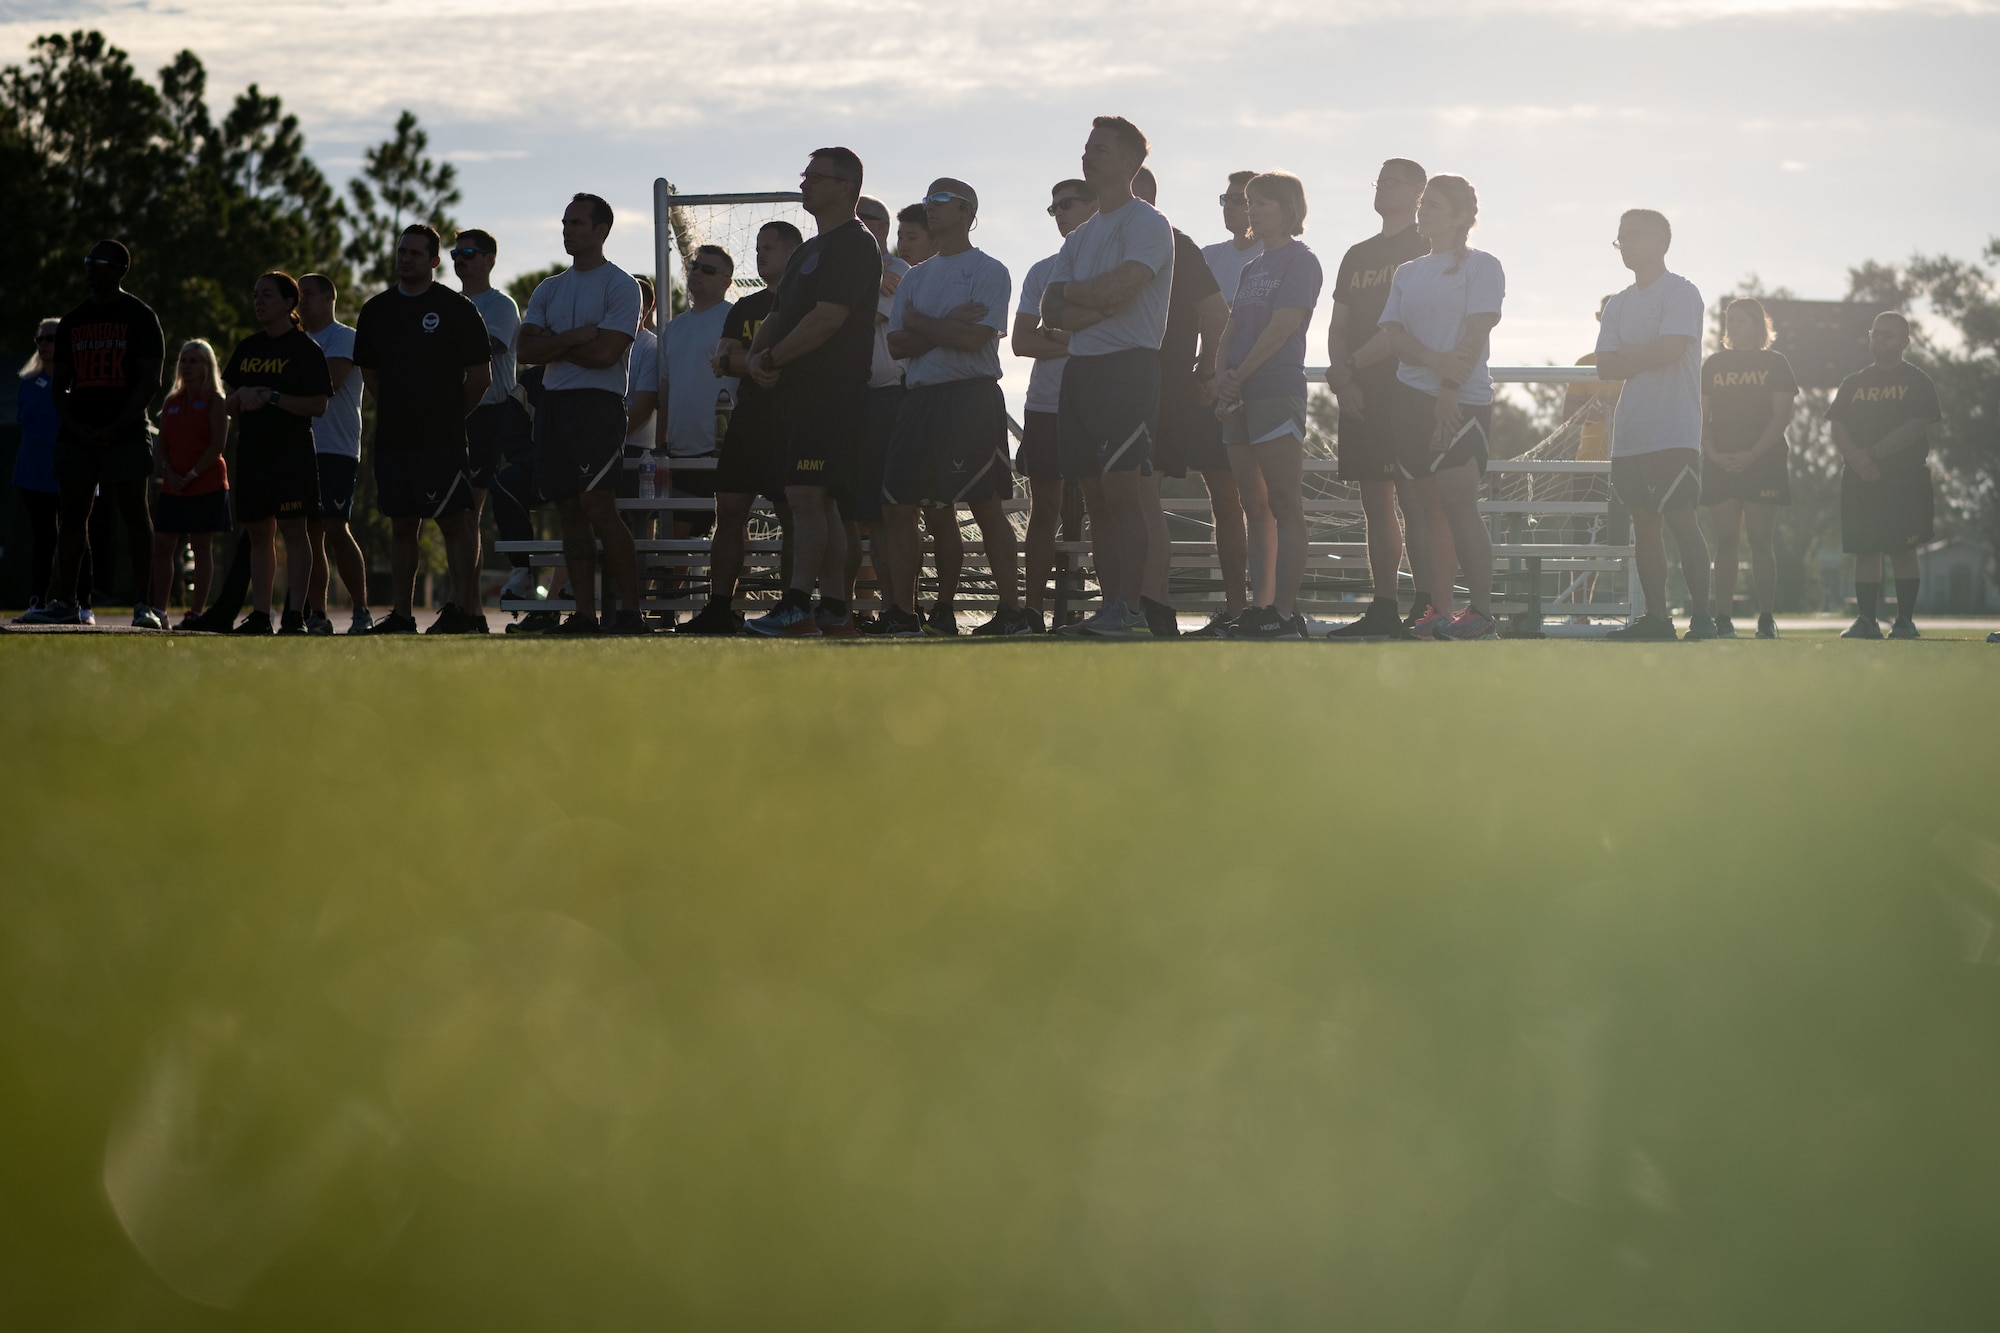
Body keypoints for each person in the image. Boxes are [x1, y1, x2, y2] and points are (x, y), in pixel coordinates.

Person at [1038, 115, 1175, 638]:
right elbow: (1052, 312)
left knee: (1123, 493)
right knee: (1095, 500)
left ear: (1128, 162)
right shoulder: (1081, 237)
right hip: (1082, 372)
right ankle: (1111, 608)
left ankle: (1132, 611)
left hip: (1129, 370)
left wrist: (1086, 297)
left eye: (1099, 148)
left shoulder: (1146, 224)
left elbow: (1123, 292)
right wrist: (1091, 299)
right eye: (1086, 146)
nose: (1086, 155)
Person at [742, 147, 880, 637]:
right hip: (796, 392)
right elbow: (778, 314)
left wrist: (774, 360)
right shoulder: (808, 249)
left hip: (832, 391)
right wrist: (758, 359)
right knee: (818, 503)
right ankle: (834, 609)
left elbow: (828, 318)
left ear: (846, 186)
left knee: (806, 496)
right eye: (805, 175)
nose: (804, 183)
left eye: (815, 177)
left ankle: (799, 606)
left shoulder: (855, 245)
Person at [881, 178, 1026, 636]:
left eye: (941, 200)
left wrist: (925, 326)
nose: (931, 207)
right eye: (927, 200)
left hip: (970, 398)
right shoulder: (915, 276)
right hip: (919, 400)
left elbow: (972, 339)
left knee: (984, 504)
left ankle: (1009, 613)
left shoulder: (989, 270)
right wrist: (941, 324)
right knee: (899, 505)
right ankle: (903, 614)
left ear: (967, 211)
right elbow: (897, 343)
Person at [1378, 175, 1504, 640]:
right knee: (1415, 505)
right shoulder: (1408, 271)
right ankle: (1436, 609)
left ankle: (1483, 614)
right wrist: (1432, 362)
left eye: (1432, 204)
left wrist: (1448, 387)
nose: (1422, 210)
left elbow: (1476, 331)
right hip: (1409, 398)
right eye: (1422, 203)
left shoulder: (1482, 266)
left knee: (1457, 502)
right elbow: (1392, 334)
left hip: (1462, 399)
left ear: (1460, 217)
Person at [352, 225, 494, 634]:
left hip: (442, 440)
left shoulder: (456, 309)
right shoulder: (376, 310)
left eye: (415, 253)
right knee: (401, 526)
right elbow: (372, 376)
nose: (406, 258)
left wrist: (449, 417)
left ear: (435, 261)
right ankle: (401, 615)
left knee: (455, 522)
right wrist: (402, 412)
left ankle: (465, 612)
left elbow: (480, 378)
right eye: (402, 251)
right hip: (394, 438)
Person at [518, 193, 648, 635]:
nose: (567, 230)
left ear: (601, 231)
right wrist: (575, 337)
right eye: (565, 222)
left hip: (598, 406)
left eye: (577, 223)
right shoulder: (549, 288)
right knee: (569, 510)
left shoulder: (621, 285)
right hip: (555, 408)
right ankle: (584, 615)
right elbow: (526, 349)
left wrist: (556, 344)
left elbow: (608, 353)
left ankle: (631, 613)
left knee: (599, 507)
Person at [22, 240, 163, 628]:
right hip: (79, 433)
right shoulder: (72, 321)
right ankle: (67, 601)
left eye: (98, 262)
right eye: (86, 261)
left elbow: (151, 379)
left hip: (127, 430)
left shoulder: (140, 316)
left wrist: (117, 425)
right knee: (72, 516)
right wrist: (75, 425)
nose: (89, 267)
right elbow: (59, 384)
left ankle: (144, 605)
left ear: (120, 269)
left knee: (135, 513)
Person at [1325, 157, 1433, 639]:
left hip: (1407, 389)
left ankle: (1428, 604)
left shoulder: (1426, 247)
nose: (1382, 188)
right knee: (1375, 502)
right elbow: (1339, 325)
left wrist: (1350, 369)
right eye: (1379, 180)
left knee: (1415, 499)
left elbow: (1400, 329)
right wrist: (1344, 381)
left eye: (1394, 182)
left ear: (1418, 193)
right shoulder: (1357, 254)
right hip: (1359, 394)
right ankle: (1385, 605)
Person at [1212, 171, 1323, 639]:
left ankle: (1284, 611)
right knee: (1252, 503)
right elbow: (1231, 331)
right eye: (1248, 202)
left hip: (1275, 389)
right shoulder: (1251, 267)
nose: (1252, 210)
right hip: (1239, 394)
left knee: (1283, 501)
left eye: (1263, 203)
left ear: (1289, 209)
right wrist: (1222, 378)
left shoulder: (1302, 261)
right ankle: (1260, 607)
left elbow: (1283, 327)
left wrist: (1239, 377)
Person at [1134, 166, 1243, 638]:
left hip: (1192, 386)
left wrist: (1206, 368)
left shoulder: (1179, 244)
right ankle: (1133, 604)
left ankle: (1241, 609)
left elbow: (1217, 315)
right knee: (1124, 495)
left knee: (1240, 499)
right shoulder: (1098, 242)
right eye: (1229, 198)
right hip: (1131, 382)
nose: (1237, 207)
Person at [1595, 208, 1713, 642]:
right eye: (1620, 237)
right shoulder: (1619, 303)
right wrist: (1640, 353)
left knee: (1682, 520)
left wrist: (1632, 354)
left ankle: (1703, 619)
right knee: (1644, 525)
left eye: (1634, 236)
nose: (1625, 244)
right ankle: (1658, 621)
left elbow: (1670, 350)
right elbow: (1605, 366)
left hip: (1674, 429)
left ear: (1662, 242)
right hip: (1632, 433)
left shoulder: (1681, 292)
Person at [688, 221, 804, 634]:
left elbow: (805, 361)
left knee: (792, 515)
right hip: (748, 420)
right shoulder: (746, 306)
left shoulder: (806, 305)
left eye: (769, 248)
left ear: (793, 253)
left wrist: (752, 360)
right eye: (757, 248)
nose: (760, 254)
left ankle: (793, 607)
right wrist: (766, 361)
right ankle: (719, 608)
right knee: (729, 511)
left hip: (791, 421)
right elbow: (722, 362)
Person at [220, 271, 332, 634]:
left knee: (294, 532)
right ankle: (260, 615)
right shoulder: (248, 348)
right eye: (256, 295)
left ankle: (295, 615)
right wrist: (243, 396)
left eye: (267, 295)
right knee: (257, 534)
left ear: (289, 302)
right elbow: (226, 405)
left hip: (291, 454)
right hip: (252, 453)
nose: (258, 301)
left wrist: (273, 397)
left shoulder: (306, 349)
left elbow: (318, 405)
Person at [1012, 180, 1098, 633]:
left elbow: (1114, 338)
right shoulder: (1042, 270)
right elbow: (1022, 341)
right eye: (1053, 207)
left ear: (1094, 206)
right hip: (1046, 405)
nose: (1059, 213)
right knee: (1042, 509)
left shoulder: (1111, 266)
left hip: (1098, 401)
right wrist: (1076, 338)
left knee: (1106, 506)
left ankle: (1115, 608)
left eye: (1067, 204)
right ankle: (1031, 612)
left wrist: (1057, 336)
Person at [1829, 310, 1941, 640]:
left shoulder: (1918, 381)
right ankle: (1867, 621)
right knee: (1866, 550)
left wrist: (1873, 454)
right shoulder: (1853, 383)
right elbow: (1838, 427)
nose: (1880, 339)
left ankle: (1904, 622)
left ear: (1906, 342)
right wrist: (1859, 461)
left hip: (1904, 480)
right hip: (1860, 479)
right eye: (1876, 333)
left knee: (1903, 550)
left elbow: (1915, 426)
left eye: (1888, 334)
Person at [1700, 297, 1798, 640]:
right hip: (1720, 464)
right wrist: (1712, 454)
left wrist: (1752, 455)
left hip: (1763, 463)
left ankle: (1766, 618)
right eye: (1729, 320)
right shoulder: (1713, 364)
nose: (1732, 326)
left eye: (1740, 320)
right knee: (1726, 541)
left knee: (1760, 540)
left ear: (1758, 324)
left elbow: (1781, 417)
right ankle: (1723, 620)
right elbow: (1702, 418)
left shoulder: (1776, 363)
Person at [451, 229, 530, 609]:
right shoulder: (447, 304)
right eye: (455, 253)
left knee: (470, 512)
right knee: (454, 515)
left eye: (467, 252)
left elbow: (487, 347)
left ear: (489, 259)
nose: (459, 259)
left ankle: (467, 605)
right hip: (450, 415)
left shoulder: (501, 305)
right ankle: (464, 604)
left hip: (489, 414)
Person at [299, 272, 372, 633]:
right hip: (300, 449)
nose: (301, 301)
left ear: (329, 298)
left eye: (308, 294)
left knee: (335, 527)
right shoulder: (293, 342)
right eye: (297, 295)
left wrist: (279, 384)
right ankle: (317, 614)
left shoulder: (344, 337)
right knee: (311, 533)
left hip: (337, 449)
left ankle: (361, 610)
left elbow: (328, 381)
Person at [149, 339, 231, 625]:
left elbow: (217, 444)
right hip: (173, 485)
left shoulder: (215, 400)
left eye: (194, 360)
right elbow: (163, 444)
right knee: (162, 544)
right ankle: (159, 611)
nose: (187, 365)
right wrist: (170, 471)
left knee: (200, 545)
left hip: (205, 483)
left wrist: (192, 474)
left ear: (207, 366)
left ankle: (195, 612)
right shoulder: (171, 401)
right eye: (184, 360)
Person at [661, 249, 738, 545]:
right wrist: (660, 444)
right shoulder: (674, 328)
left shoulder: (733, 318)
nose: (697, 273)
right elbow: (666, 390)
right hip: (680, 451)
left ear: (726, 282)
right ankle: (671, 594)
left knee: (732, 524)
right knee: (675, 537)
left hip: (721, 448)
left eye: (707, 269)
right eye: (695, 266)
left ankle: (736, 594)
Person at [11, 318, 75, 622]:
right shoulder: (28, 382)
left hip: (70, 472)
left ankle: (80, 603)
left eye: (51, 338)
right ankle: (37, 601)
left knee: (76, 536)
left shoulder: (76, 382)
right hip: (33, 473)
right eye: (41, 339)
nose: (45, 344)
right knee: (44, 537)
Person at [1201, 170, 1263, 304]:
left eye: (1238, 200)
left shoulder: (1276, 257)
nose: (1228, 206)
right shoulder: (1207, 256)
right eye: (1226, 199)